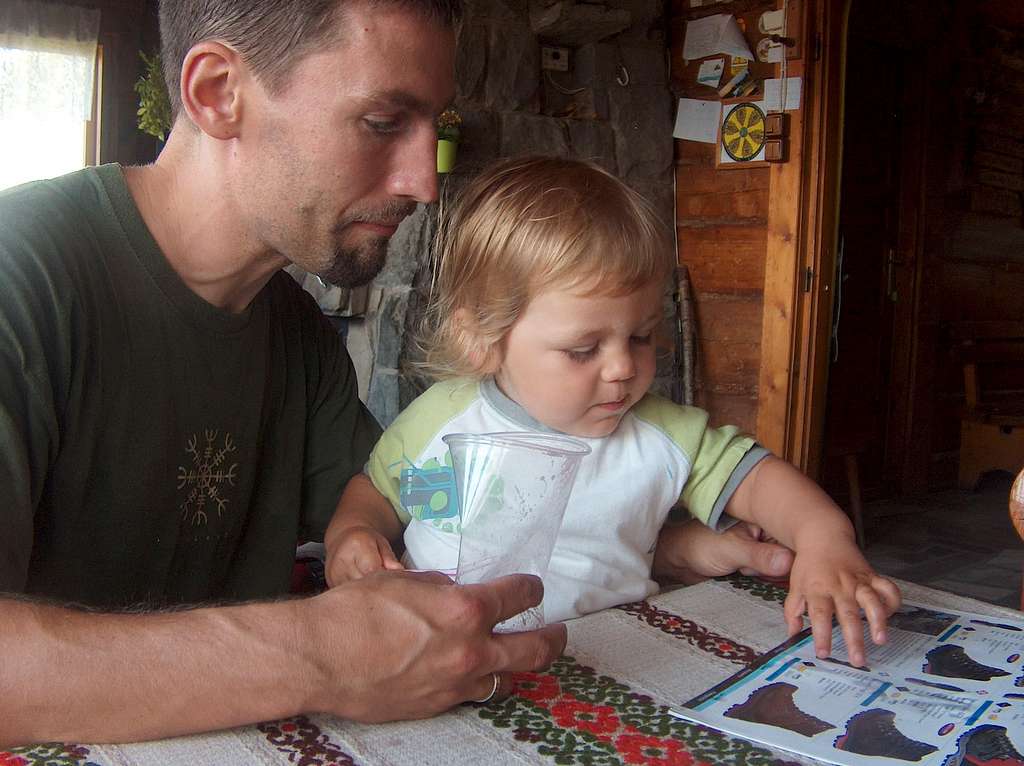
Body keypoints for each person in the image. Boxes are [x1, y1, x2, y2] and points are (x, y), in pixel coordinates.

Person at [0, 0, 792, 749]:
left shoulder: (296, 333)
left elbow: (431, 530)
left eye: (432, 128)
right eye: (383, 121)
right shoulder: (22, 276)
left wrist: (653, 541)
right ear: (219, 93)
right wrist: (319, 653)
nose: (425, 180)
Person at [325, 156, 903, 670]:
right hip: (440, 657)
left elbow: (763, 480)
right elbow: (376, 492)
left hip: (612, 660)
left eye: (643, 336)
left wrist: (826, 539)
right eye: (583, 349)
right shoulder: (442, 416)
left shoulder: (662, 433)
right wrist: (352, 533)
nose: (623, 367)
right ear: (482, 337)